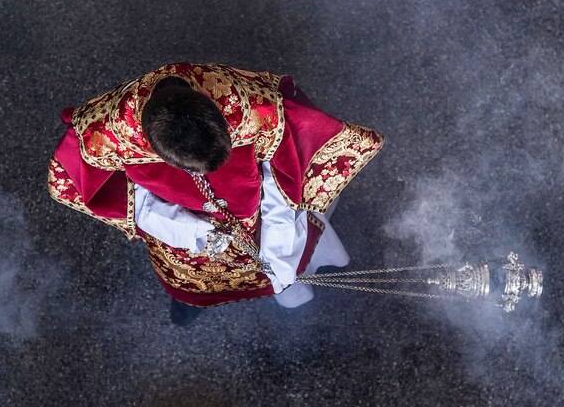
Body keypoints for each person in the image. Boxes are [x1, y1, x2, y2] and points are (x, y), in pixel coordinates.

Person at [48, 62, 384, 325]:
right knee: (192, 283)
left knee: (285, 260)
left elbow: (282, 170)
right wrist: (193, 231)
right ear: (154, 149)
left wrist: (279, 243)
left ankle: (299, 271)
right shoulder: (103, 134)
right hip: (178, 234)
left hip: (259, 217)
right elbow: (99, 191)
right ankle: (189, 302)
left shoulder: (249, 105)